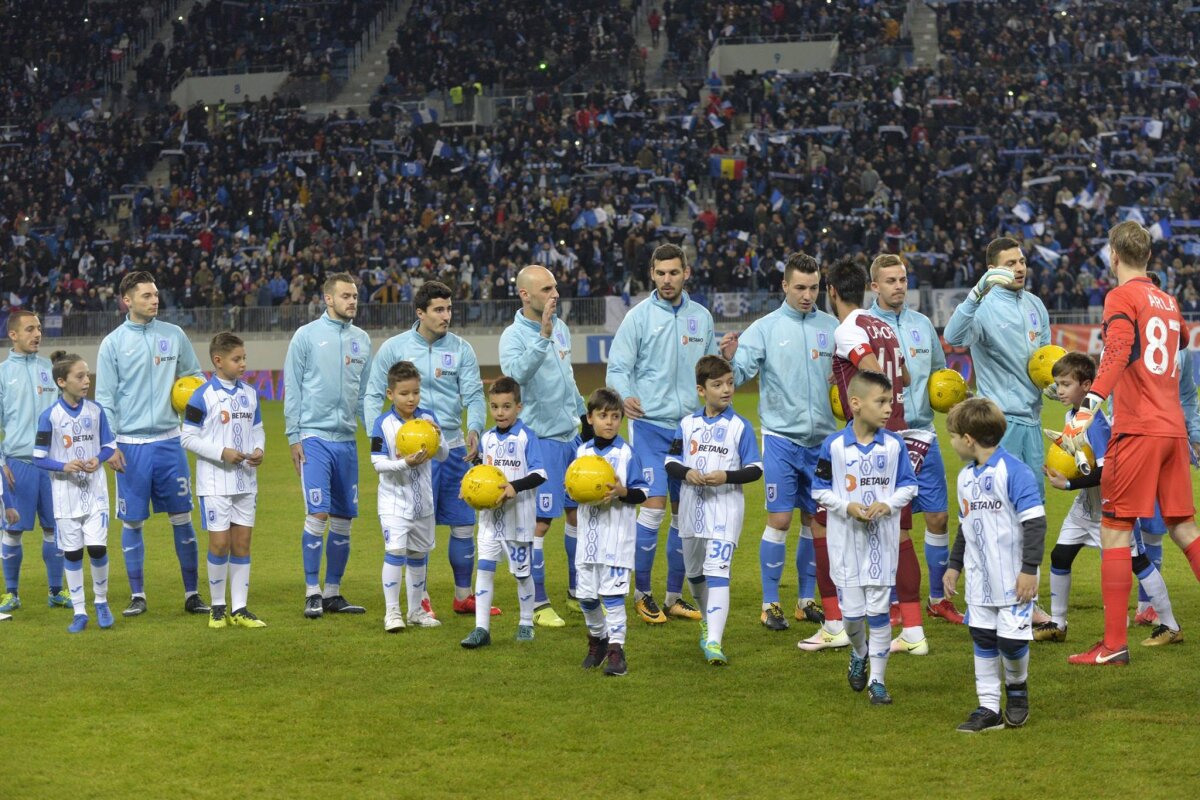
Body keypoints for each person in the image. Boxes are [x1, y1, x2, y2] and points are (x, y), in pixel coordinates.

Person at [1053, 221, 1200, 665]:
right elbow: (1183, 341)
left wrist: (1085, 410)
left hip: (1137, 429)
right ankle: (1118, 640)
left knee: (1115, 531)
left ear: (1113, 255)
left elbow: (1116, 351)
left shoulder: (1122, 296)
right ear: (1149, 258)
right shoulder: (1169, 301)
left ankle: (1113, 645)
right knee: (1184, 529)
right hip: (1173, 428)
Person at [813, 257, 927, 657]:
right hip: (898, 429)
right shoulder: (881, 325)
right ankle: (911, 628)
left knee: (833, 523)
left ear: (831, 292)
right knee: (900, 533)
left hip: (873, 439)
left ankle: (841, 622)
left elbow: (875, 371)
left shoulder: (848, 328)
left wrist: (863, 396)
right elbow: (906, 378)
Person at [719, 252, 837, 632]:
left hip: (821, 440)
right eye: (800, 287)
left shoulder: (832, 326)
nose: (807, 295)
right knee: (780, 519)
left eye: (814, 287)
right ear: (784, 286)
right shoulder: (765, 328)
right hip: (782, 438)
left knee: (813, 520)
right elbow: (736, 377)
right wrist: (729, 359)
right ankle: (770, 603)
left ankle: (805, 601)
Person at [363, 280, 492, 618]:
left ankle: (463, 596)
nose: (446, 316)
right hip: (413, 457)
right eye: (438, 309)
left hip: (451, 448)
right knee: (419, 528)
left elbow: (475, 395)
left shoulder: (462, 348)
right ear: (420, 312)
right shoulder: (394, 347)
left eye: (449, 309)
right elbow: (373, 393)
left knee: (464, 523)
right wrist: (375, 438)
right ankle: (421, 598)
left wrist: (475, 428)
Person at [1035, 352, 1180, 646]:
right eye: (1058, 384)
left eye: (1066, 384)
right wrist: (1063, 457)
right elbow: (1082, 457)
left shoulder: (1096, 423)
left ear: (1087, 385)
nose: (1060, 390)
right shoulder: (1071, 415)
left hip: (1112, 507)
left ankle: (1170, 625)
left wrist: (1067, 483)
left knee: (1138, 562)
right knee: (1060, 557)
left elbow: (1106, 472)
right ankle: (1058, 625)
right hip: (1085, 508)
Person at [606, 243, 717, 624]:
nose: (667, 279)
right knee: (652, 509)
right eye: (661, 273)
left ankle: (673, 596)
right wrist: (624, 395)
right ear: (651, 274)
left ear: (686, 273)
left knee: (685, 519)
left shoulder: (701, 318)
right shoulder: (638, 318)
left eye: (674, 272)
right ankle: (642, 594)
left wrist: (724, 360)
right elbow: (618, 366)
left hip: (690, 431)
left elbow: (710, 370)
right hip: (651, 427)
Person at [96, 271, 207, 618]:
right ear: (127, 301)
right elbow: (105, 399)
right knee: (132, 522)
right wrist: (109, 444)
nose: (154, 300)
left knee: (182, 517)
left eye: (155, 294)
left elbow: (197, 379)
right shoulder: (113, 343)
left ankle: (192, 594)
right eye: (146, 295)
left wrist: (189, 400)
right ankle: (137, 595)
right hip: (130, 444)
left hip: (169, 441)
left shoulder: (173, 335)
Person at [813, 371, 918, 705]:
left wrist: (889, 503)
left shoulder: (894, 444)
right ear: (855, 404)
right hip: (845, 542)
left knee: (879, 609)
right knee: (852, 615)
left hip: (882, 542)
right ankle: (859, 652)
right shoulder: (833, 446)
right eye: (881, 402)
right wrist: (847, 506)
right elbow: (818, 489)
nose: (889, 409)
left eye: (890, 401)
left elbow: (909, 485)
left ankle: (877, 679)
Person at [868, 254, 962, 624]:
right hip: (884, 438)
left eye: (903, 279)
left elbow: (940, 374)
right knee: (890, 522)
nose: (898, 286)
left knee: (938, 517)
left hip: (923, 432)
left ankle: (938, 599)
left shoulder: (922, 323)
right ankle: (892, 600)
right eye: (890, 280)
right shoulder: (864, 327)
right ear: (875, 286)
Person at [943, 398, 1046, 732]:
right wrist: (954, 565)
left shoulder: (1014, 472)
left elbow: (1035, 523)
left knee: (1013, 644)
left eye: (954, 436)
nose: (953, 443)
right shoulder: (964, 479)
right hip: (979, 578)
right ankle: (988, 707)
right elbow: (965, 525)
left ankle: (1017, 691)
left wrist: (1029, 569)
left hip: (1015, 578)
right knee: (983, 637)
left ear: (969, 438)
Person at [499, 265, 589, 628]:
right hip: (541, 440)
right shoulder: (513, 336)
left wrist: (585, 420)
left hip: (571, 437)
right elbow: (513, 379)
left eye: (556, 287)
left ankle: (575, 591)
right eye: (546, 289)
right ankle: (537, 602)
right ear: (525, 295)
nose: (555, 294)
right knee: (539, 524)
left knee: (576, 515)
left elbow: (567, 380)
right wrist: (542, 336)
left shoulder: (562, 326)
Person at [284, 272, 373, 619]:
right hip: (314, 437)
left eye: (355, 295)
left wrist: (378, 436)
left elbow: (365, 396)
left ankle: (333, 593)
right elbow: (292, 388)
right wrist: (294, 436)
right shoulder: (306, 337)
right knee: (317, 513)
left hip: (346, 441)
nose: (352, 301)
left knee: (343, 519)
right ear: (328, 299)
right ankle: (312, 592)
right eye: (346, 296)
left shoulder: (362, 340)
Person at [665, 355, 762, 666]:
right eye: (717, 385)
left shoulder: (740, 427)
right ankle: (708, 618)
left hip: (725, 509)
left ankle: (714, 641)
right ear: (701, 390)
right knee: (694, 573)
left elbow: (755, 469)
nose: (726, 390)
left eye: (730, 383)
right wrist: (686, 472)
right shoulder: (687, 424)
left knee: (717, 572)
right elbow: (670, 461)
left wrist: (726, 476)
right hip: (692, 509)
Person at [944, 238, 1051, 486]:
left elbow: (1045, 358)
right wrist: (976, 293)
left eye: (1022, 261)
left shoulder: (1036, 305)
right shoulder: (983, 308)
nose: (1020, 268)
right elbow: (952, 337)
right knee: (1000, 502)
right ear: (993, 271)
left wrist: (1052, 384)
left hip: (1034, 421)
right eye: (1010, 263)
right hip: (999, 422)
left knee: (1034, 503)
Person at [180, 332, 267, 629]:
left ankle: (240, 608)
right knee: (219, 544)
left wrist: (259, 449)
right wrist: (222, 452)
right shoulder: (201, 395)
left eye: (244, 358)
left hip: (246, 481)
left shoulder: (250, 393)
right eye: (236, 359)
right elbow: (187, 437)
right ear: (218, 361)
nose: (243, 364)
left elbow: (258, 429)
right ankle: (218, 607)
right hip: (215, 482)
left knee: (242, 543)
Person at [32, 352, 119, 633]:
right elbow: (38, 457)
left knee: (97, 548)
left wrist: (100, 458)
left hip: (95, 493)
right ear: (62, 381)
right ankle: (80, 611)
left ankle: (102, 602)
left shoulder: (96, 411)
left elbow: (109, 446)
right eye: (79, 376)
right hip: (65, 496)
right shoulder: (50, 418)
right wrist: (63, 465)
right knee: (72, 554)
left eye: (87, 375)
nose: (86, 381)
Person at [461, 377, 547, 648]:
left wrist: (514, 487)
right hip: (489, 519)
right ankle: (481, 629)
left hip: (518, 519)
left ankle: (525, 622)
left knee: (521, 574)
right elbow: (483, 473)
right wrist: (469, 487)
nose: (500, 412)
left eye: (507, 406)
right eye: (495, 406)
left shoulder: (526, 437)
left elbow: (540, 474)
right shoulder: (485, 438)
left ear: (518, 407)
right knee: (484, 569)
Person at [574, 388, 650, 676]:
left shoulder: (627, 453)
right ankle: (598, 640)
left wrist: (621, 492)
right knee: (586, 597)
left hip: (617, 538)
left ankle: (617, 651)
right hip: (588, 540)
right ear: (590, 418)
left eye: (615, 416)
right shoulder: (581, 452)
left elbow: (643, 493)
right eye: (602, 416)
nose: (609, 422)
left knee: (613, 597)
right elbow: (572, 487)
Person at [369, 360, 448, 633]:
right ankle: (392, 612)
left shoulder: (428, 419)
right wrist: (405, 464)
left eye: (415, 392)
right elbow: (377, 463)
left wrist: (441, 439)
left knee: (418, 556)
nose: (411, 398)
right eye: (404, 393)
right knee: (395, 553)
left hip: (423, 504)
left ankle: (415, 611)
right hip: (394, 502)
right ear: (391, 394)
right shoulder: (382, 424)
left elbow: (444, 455)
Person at [0, 310, 67, 613]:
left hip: (52, 466)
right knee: (13, 530)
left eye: (39, 328)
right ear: (13, 334)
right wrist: (2, 462)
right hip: (18, 464)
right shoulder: (3, 374)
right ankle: (11, 593)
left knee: (55, 530)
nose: (37, 334)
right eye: (29, 329)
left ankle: (56, 590)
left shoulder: (50, 370)